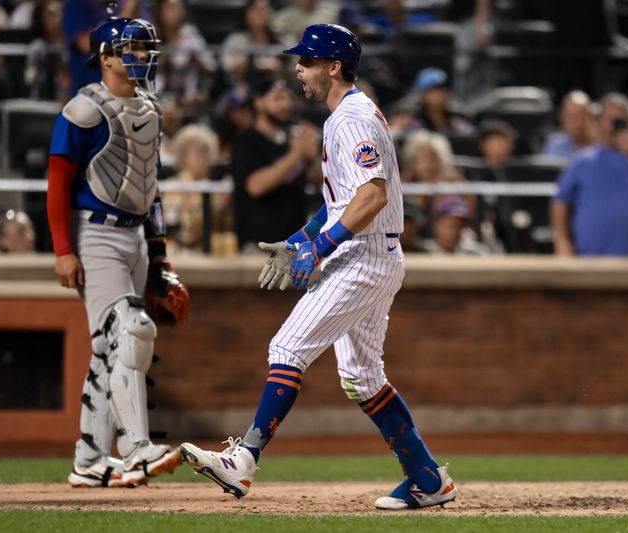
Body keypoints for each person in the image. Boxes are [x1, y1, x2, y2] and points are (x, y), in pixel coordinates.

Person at [180, 24, 457, 511]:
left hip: (365, 255)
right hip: (374, 251)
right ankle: (427, 478)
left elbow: (372, 196)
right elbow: (342, 202)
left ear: (333, 67)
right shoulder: (349, 113)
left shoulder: (349, 118)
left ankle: (243, 460)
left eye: (306, 61)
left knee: (287, 347)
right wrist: (301, 240)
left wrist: (323, 245)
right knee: (362, 378)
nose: (298, 70)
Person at [46, 16, 187, 488]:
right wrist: (63, 250)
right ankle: (136, 450)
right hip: (96, 233)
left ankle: (88, 459)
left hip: (135, 236)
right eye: (133, 48)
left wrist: (161, 256)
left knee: (110, 348)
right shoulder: (82, 110)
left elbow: (152, 190)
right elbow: (56, 185)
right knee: (133, 329)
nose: (143, 57)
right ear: (105, 56)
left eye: (147, 49)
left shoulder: (150, 108)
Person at [551, 93, 628, 256]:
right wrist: (563, 242)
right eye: (610, 120)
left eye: (621, 120)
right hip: (593, 264)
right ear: (599, 123)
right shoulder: (582, 161)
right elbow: (560, 203)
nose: (615, 126)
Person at [231, 77, 319, 251]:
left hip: (294, 242)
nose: (285, 105)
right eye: (277, 98)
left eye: (287, 98)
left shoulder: (292, 140)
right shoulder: (246, 141)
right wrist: (297, 155)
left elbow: (316, 180)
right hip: (259, 245)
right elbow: (255, 186)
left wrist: (310, 157)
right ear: (258, 103)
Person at [404, 67, 473, 136]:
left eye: (443, 90)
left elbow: (471, 136)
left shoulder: (456, 119)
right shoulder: (414, 122)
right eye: (433, 91)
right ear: (422, 95)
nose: (440, 94)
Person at [542, 90, 595, 160]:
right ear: (561, 117)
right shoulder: (554, 145)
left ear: (590, 117)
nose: (576, 122)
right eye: (570, 116)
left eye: (581, 116)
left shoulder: (603, 145)